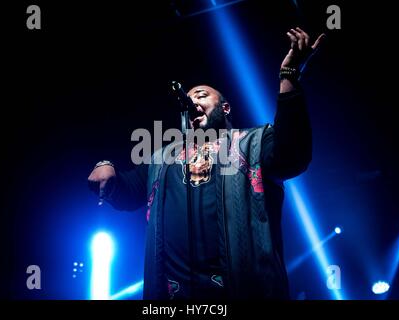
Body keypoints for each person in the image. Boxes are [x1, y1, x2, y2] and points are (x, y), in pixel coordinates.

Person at [88, 27, 325, 299]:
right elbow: (128, 193)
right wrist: (106, 168)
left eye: (201, 95)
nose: (193, 102)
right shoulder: (162, 159)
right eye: (189, 99)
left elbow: (293, 155)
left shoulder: (253, 142)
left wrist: (289, 77)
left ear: (225, 108)